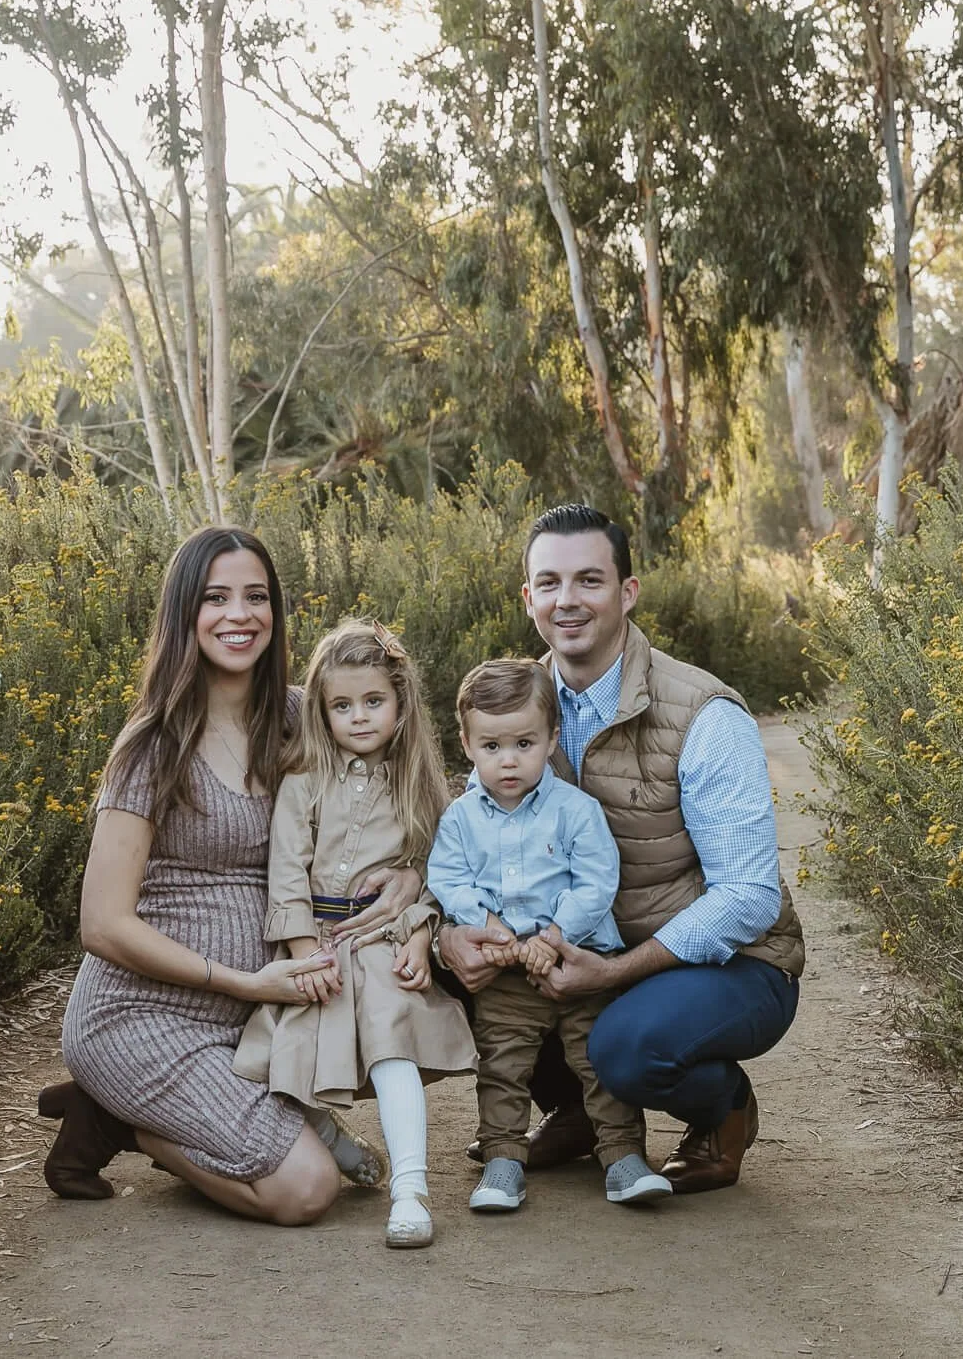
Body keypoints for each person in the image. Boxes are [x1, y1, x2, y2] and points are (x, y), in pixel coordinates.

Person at [38, 526, 423, 1223]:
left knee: (406, 994)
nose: (238, 614)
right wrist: (244, 980)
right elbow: (102, 922)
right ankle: (125, 1119)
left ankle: (124, 1108)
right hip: (142, 1017)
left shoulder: (306, 716)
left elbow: (408, 794)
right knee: (307, 1189)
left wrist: (412, 874)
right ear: (186, 613)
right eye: (216, 597)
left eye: (256, 596)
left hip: (264, 1011)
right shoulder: (150, 750)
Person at [436, 504, 805, 1194]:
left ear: (627, 591)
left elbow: (749, 898)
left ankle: (723, 1110)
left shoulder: (703, 714)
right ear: (529, 599)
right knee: (453, 961)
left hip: (729, 965)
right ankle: (576, 1111)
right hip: (581, 951)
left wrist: (614, 973)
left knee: (626, 1045)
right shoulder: (515, 711)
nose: (566, 601)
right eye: (548, 583)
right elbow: (474, 844)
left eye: (589, 580)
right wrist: (451, 933)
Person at [231, 619, 477, 1249]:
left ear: (400, 703)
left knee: (392, 1045)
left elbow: (436, 873)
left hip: (384, 942)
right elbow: (285, 868)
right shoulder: (305, 777)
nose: (359, 718)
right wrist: (301, 951)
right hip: (317, 941)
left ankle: (412, 1190)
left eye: (374, 702)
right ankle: (332, 1137)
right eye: (342, 705)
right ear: (322, 710)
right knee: (279, 1057)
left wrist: (420, 934)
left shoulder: (419, 780)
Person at [426, 658, 676, 1214]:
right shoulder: (462, 818)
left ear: (551, 738)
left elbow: (596, 879)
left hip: (577, 964)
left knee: (597, 1061)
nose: (509, 760)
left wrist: (556, 933)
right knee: (503, 1065)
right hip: (506, 977)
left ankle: (623, 1158)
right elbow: (447, 877)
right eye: (491, 746)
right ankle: (503, 1161)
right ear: (466, 744)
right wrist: (487, 926)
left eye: (524, 743)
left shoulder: (575, 810)